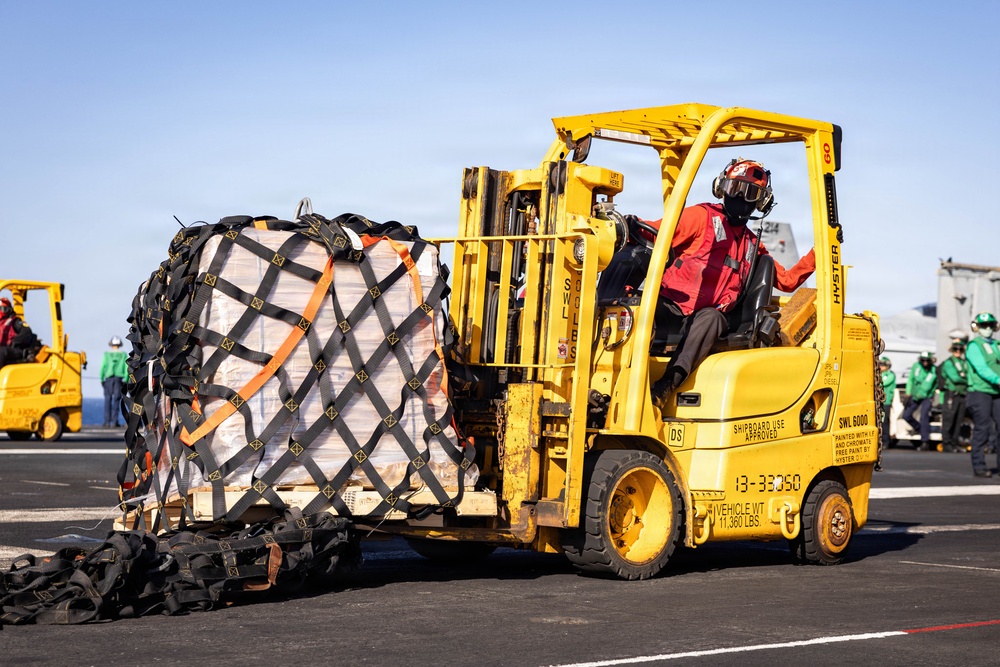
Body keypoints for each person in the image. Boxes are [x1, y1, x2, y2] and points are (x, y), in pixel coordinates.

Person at [630, 158, 816, 408]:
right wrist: (622, 225)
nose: (738, 196)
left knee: (713, 318)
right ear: (721, 187)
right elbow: (654, 232)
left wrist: (821, 252)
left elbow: (787, 281)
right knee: (633, 305)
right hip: (667, 307)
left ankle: (665, 386)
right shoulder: (700, 217)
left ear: (761, 202)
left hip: (699, 323)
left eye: (749, 192)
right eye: (734, 187)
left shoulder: (752, 245)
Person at [965, 312, 1000, 478]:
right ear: (977, 327)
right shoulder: (974, 346)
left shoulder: (997, 344)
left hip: (997, 391)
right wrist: (997, 379)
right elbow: (982, 368)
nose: (988, 328)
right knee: (982, 429)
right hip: (980, 392)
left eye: (990, 325)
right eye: (984, 325)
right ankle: (979, 466)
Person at [938, 340, 969, 453]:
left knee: (958, 420)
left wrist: (965, 379)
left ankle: (954, 443)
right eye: (955, 349)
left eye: (960, 349)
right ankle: (946, 443)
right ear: (952, 350)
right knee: (949, 419)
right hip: (952, 394)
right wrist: (966, 380)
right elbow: (955, 378)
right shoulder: (949, 362)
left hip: (962, 394)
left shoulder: (964, 362)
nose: (958, 351)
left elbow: (969, 374)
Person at [902, 351, 937, 450]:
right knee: (906, 415)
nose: (925, 362)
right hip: (915, 395)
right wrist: (908, 393)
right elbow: (911, 379)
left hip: (927, 396)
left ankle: (925, 441)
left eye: (927, 360)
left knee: (924, 416)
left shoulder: (933, 370)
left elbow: (929, 384)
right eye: (923, 360)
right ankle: (919, 428)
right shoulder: (916, 366)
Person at [0, 297, 40, 371]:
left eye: (3, 309)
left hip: (16, 350)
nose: (2, 311)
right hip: (6, 350)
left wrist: (15, 341)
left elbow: (26, 331)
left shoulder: (15, 321)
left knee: (1, 351)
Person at [100, 336, 129, 428]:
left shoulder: (107, 354)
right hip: (119, 380)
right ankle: (115, 421)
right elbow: (126, 368)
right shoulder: (123, 354)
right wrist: (127, 380)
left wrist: (101, 379)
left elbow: (102, 367)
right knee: (117, 400)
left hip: (108, 379)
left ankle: (106, 421)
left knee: (107, 400)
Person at [879, 356, 896, 450]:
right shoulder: (878, 374)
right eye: (880, 364)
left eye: (883, 365)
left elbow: (883, 383)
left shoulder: (890, 375)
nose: (881, 367)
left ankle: (886, 441)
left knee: (884, 422)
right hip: (878, 402)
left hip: (886, 402)